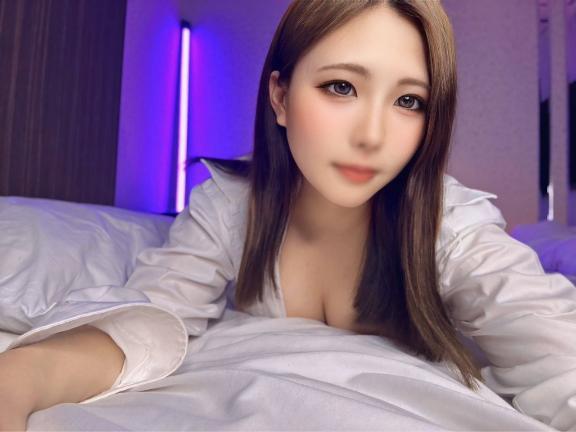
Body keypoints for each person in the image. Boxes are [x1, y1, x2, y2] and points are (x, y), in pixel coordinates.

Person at [1, 0, 575, 430]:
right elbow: (151, 316)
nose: (372, 135)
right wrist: (22, 378)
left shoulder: (447, 226)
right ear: (279, 96)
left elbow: (556, 356)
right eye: (341, 87)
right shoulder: (231, 206)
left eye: (409, 101)